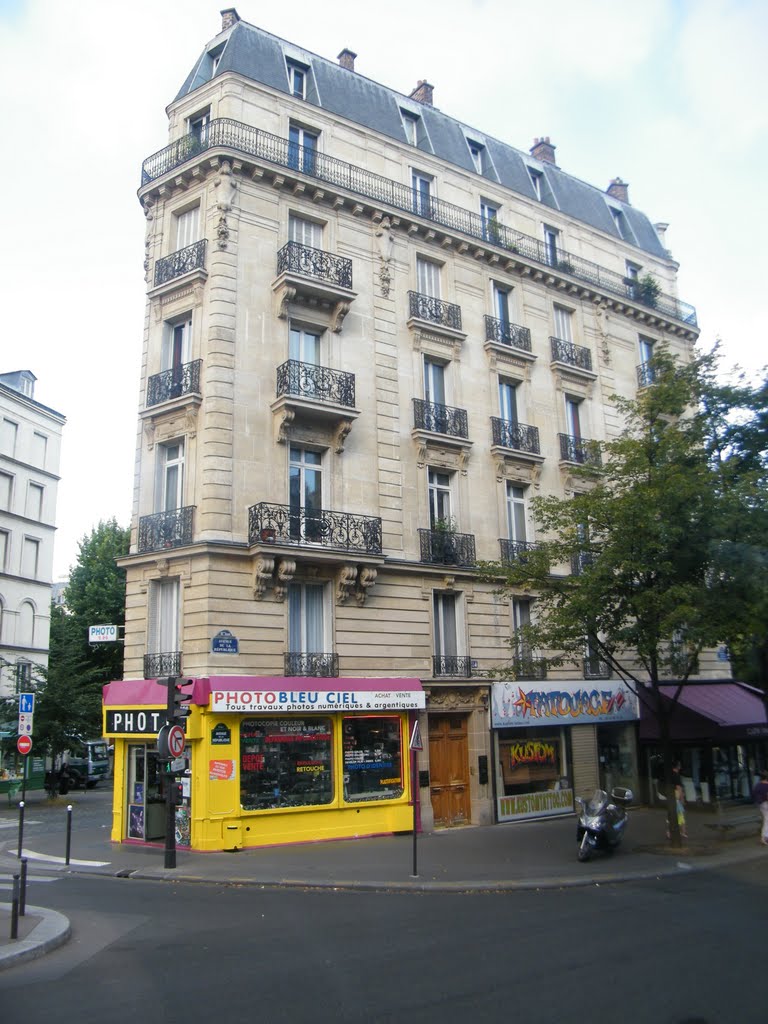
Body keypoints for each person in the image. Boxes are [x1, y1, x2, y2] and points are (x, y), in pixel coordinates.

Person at [752, 769, 768, 846]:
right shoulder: (767, 786)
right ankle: (764, 837)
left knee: (766, 819)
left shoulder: (757, 785)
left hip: (761, 804)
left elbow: (754, 794)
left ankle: (765, 836)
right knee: (767, 820)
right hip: (766, 804)